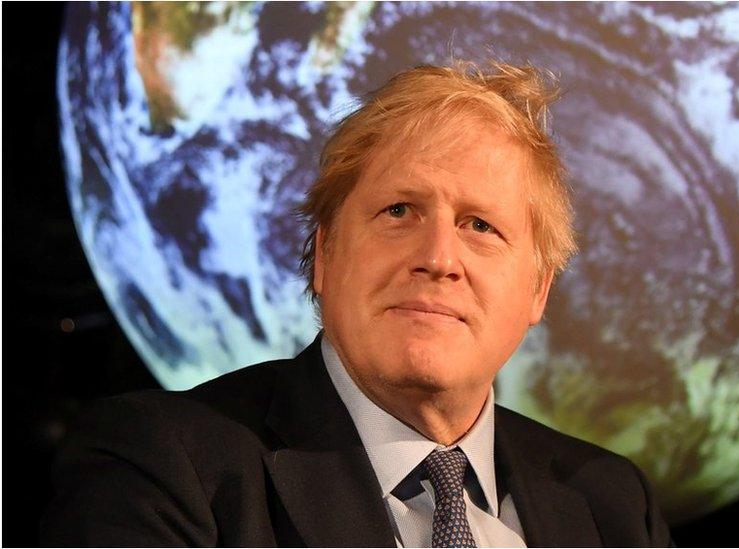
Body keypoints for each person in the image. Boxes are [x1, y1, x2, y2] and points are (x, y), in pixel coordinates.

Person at [42, 60, 673, 547]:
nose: (439, 257)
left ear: (537, 290)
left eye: (480, 226)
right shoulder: (162, 469)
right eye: (399, 211)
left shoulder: (614, 507)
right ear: (323, 255)